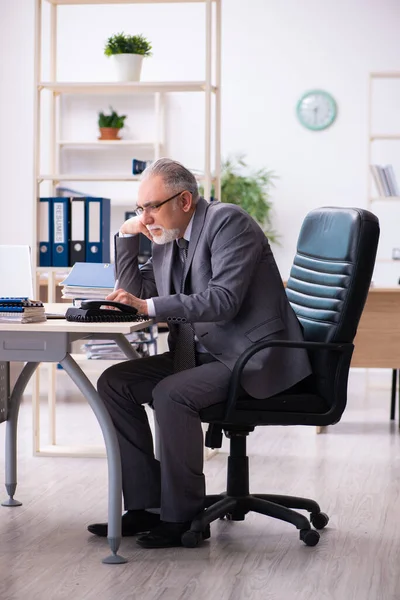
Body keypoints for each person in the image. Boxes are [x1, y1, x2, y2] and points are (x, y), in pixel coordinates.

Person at [88, 158, 311, 549]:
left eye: (152, 206)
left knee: (172, 393)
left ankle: (183, 517)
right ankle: (145, 505)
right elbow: (133, 293)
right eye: (141, 209)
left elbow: (222, 301)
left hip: (249, 355)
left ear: (185, 200)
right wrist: (126, 237)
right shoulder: (167, 236)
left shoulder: (228, 223)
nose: (147, 217)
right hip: (203, 353)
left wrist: (147, 307)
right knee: (114, 383)